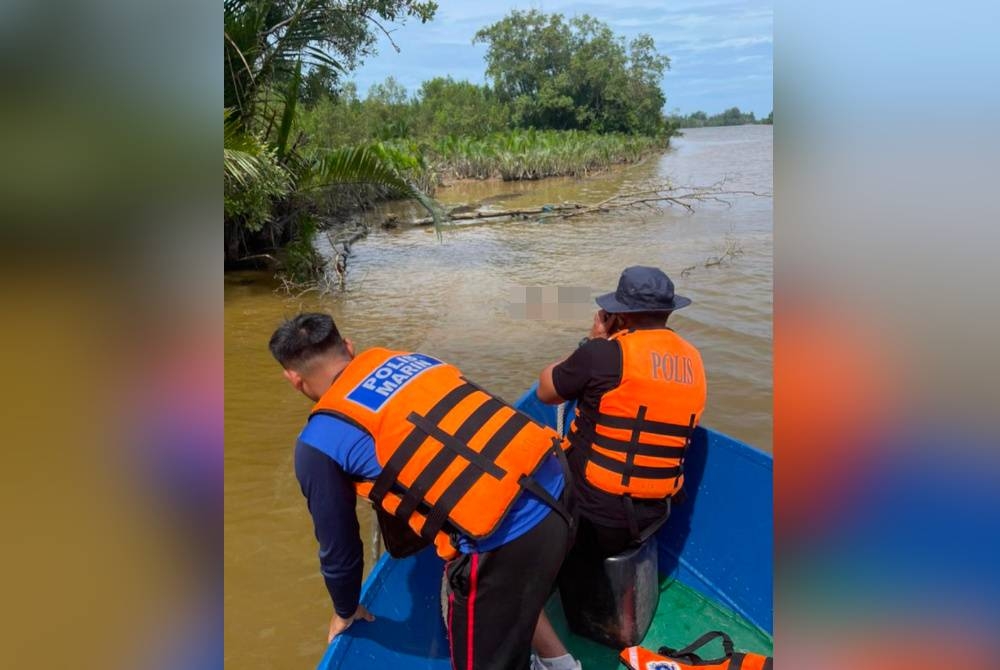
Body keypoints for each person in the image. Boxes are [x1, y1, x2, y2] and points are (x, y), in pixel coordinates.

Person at [269, 313, 574, 670]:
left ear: (293, 379)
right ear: (349, 347)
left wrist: (345, 608)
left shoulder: (318, 441)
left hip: (502, 541)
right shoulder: (411, 361)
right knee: (513, 576)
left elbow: (339, 545)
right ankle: (561, 663)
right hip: (559, 487)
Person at [531, 266, 707, 657]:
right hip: (654, 514)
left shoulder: (604, 353)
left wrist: (591, 341)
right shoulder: (693, 361)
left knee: (530, 474)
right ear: (667, 314)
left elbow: (546, 390)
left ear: (619, 316)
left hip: (595, 519)